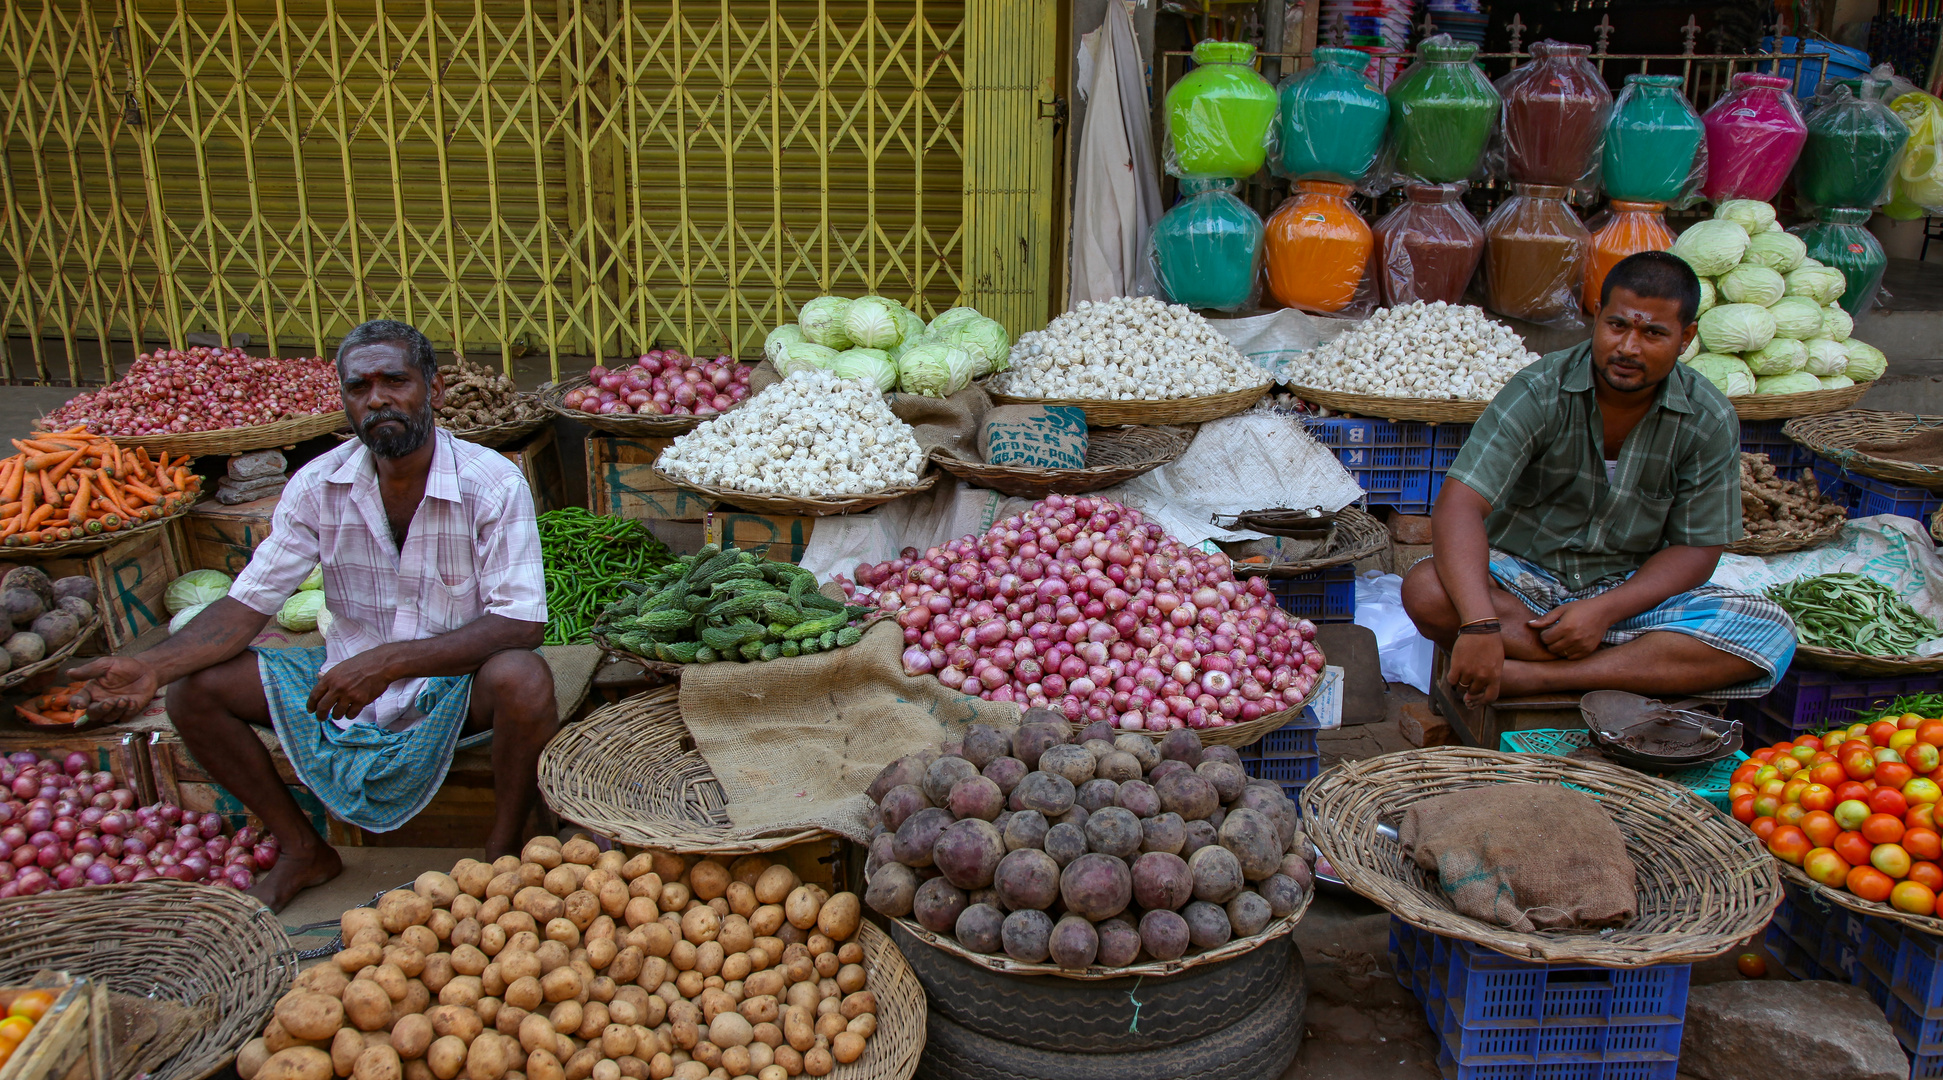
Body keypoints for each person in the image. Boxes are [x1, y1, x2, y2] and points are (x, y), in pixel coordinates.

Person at [72, 320, 556, 910]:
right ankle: (304, 850)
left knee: (524, 677)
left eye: (394, 381)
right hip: (344, 685)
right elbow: (247, 604)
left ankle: (501, 852)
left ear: (433, 389)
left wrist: (390, 661)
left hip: (451, 686)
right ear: (344, 400)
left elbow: (522, 622)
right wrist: (153, 666)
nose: (377, 398)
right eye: (359, 387)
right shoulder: (317, 485)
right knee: (193, 691)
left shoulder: (492, 482)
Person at [1402, 251, 1796, 708]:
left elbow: (1698, 549)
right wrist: (1479, 624)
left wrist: (1603, 611)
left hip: (1626, 594)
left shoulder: (1707, 417)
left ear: (1686, 338)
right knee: (1426, 588)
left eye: (1653, 333)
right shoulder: (1540, 390)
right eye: (1617, 326)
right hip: (1521, 581)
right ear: (1597, 317)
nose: (1629, 348)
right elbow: (1461, 504)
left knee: (1770, 631)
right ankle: (1631, 667)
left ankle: (1539, 678)